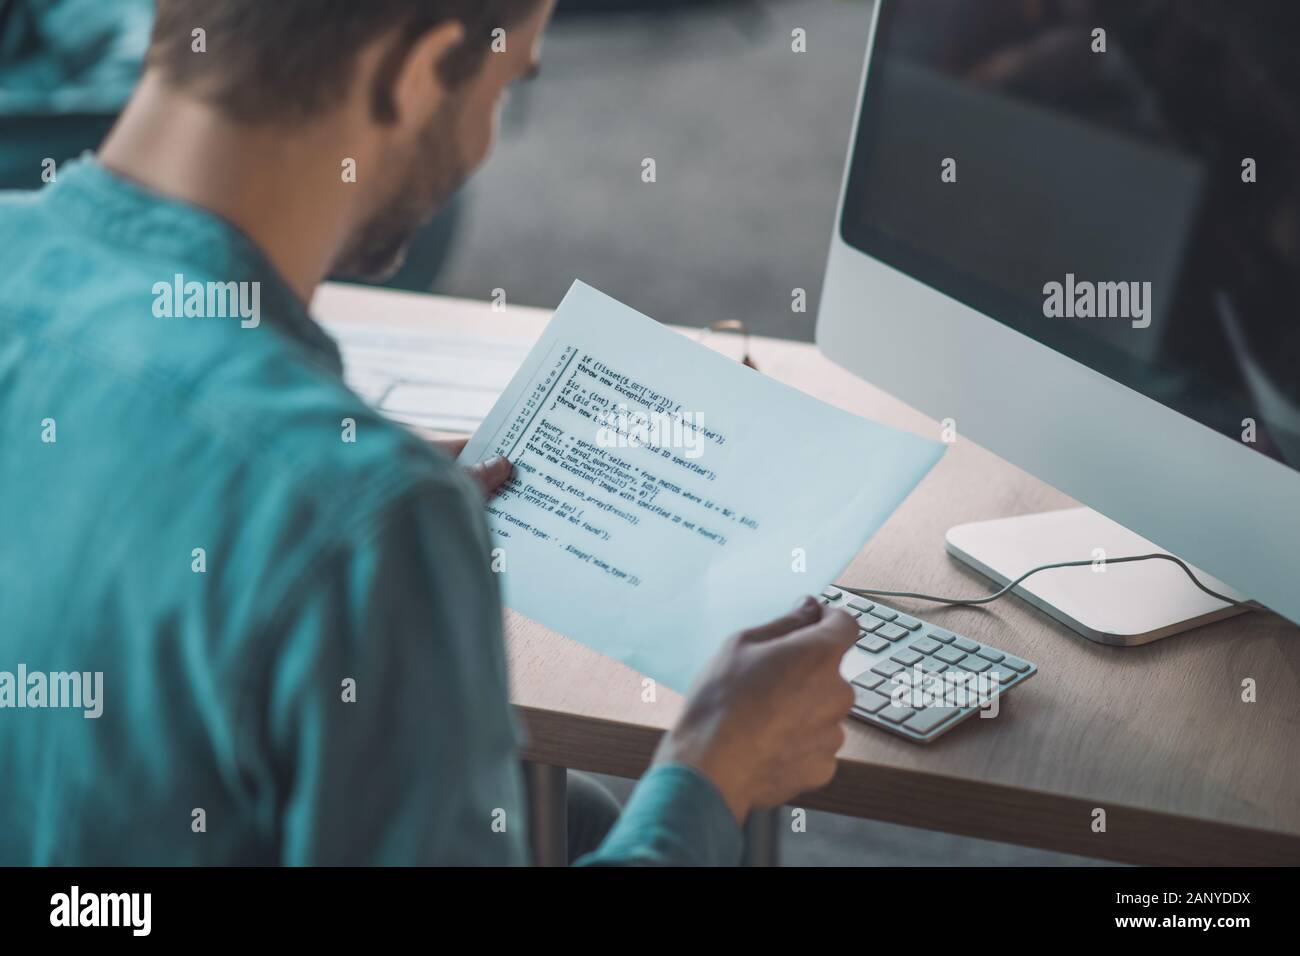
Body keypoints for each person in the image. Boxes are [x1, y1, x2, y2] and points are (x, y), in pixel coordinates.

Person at [0, 0, 856, 866]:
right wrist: (710, 773)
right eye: (501, 87)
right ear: (413, 76)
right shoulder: (375, 522)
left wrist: (305, 466)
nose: (483, 142)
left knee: (579, 819)